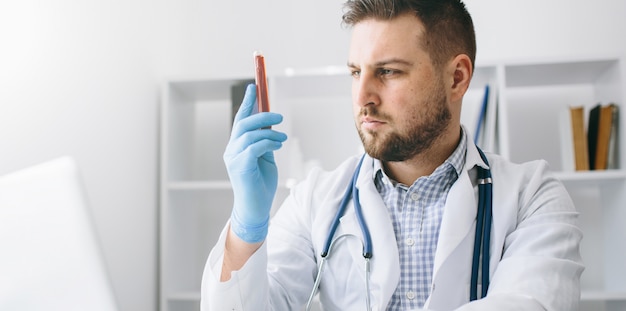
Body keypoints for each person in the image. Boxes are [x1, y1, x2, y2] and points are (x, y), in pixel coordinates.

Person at [201, 0, 584, 310]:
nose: (362, 95)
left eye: (387, 72)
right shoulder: (315, 201)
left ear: (457, 78)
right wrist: (246, 227)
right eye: (355, 72)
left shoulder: (533, 198)